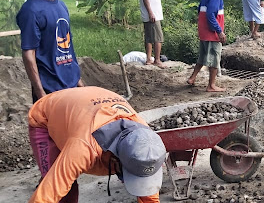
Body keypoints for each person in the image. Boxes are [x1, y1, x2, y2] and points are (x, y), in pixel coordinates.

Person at [28, 86, 166, 203]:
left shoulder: (146, 144)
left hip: (84, 106)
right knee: (65, 191)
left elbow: (149, 196)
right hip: (47, 116)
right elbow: (46, 196)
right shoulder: (83, 148)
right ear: (115, 160)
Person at [16, 0, 84, 104]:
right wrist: (41, 95)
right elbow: (29, 55)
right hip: (50, 91)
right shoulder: (31, 11)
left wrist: (78, 82)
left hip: (71, 85)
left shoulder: (62, 6)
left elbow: (68, 48)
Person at [186, 0, 235, 92]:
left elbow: (200, 11)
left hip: (204, 32)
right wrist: (219, 31)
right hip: (211, 33)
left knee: (202, 57)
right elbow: (211, 15)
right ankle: (211, 85)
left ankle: (192, 78)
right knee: (214, 59)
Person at [134, 0, 166, 69]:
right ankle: (157, 59)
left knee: (149, 37)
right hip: (152, 14)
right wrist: (151, 12)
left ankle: (148, 59)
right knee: (158, 37)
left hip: (150, 13)